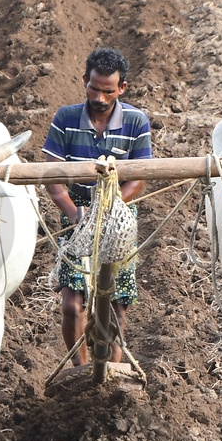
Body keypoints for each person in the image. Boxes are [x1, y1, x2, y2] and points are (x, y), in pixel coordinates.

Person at [41, 48, 151, 365]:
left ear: (122, 89)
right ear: (84, 81)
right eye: (94, 88)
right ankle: (80, 367)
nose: (100, 98)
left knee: (116, 302)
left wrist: (114, 205)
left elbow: (140, 177)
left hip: (119, 210)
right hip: (78, 209)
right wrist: (75, 213)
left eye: (108, 91)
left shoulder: (135, 121)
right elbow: (52, 176)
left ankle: (114, 367)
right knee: (72, 305)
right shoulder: (65, 118)